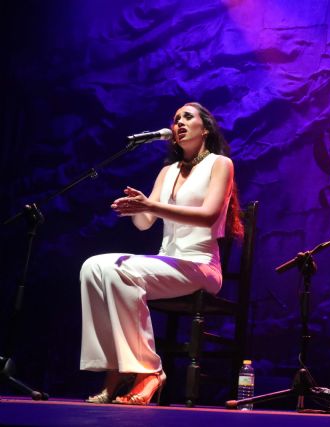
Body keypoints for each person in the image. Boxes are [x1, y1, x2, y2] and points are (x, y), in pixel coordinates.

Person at [79, 102, 243, 405]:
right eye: (175, 119)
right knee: (92, 266)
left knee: (119, 270)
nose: (179, 122)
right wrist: (135, 209)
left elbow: (208, 216)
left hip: (201, 266)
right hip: (167, 262)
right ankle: (118, 368)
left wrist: (151, 206)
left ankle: (148, 371)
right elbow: (145, 224)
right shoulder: (168, 171)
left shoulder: (220, 164)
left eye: (187, 117)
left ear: (205, 128)